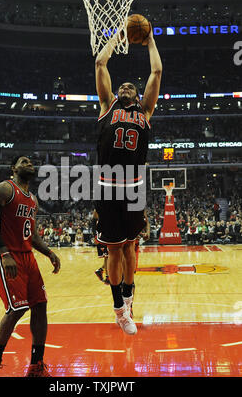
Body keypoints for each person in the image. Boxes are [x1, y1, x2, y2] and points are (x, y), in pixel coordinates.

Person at [94, 23, 162, 335]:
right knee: (114, 249)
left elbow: (156, 72)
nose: (125, 88)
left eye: (130, 88)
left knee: (131, 247)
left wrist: (149, 41)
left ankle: (130, 298)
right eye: (121, 87)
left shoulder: (145, 111)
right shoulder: (107, 107)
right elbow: (100, 63)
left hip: (134, 187)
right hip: (108, 185)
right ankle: (119, 308)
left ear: (137, 96)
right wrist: (115, 37)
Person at [0, 156, 61, 377]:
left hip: (27, 256)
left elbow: (32, 235)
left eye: (31, 162)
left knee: (40, 305)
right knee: (17, 307)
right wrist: (4, 253)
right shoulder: (4, 189)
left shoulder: (32, 200)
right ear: (13, 168)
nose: (29, 164)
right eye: (23, 161)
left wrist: (49, 252)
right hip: (5, 254)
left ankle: (36, 366)